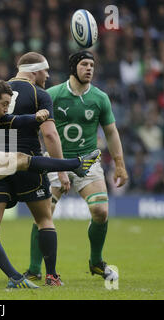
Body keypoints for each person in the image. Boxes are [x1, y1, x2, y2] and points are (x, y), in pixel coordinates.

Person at [0, 79, 100, 289]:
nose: (6, 109)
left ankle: (13, 277)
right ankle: (76, 164)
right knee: (22, 159)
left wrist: (37, 117)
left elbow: (19, 121)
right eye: (4, 104)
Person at [0, 52, 68, 287]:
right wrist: (61, 171)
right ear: (34, 71)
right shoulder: (40, 95)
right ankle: (52, 276)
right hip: (28, 162)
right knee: (44, 219)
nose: (48, 75)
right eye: (45, 70)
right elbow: (50, 135)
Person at [27, 50, 128, 281]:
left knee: (101, 211)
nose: (89, 69)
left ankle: (96, 262)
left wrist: (120, 164)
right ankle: (34, 269)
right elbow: (35, 127)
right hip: (55, 161)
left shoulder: (100, 97)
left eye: (92, 65)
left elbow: (111, 132)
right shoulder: (53, 94)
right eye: (84, 64)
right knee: (43, 214)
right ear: (74, 68)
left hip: (88, 161)